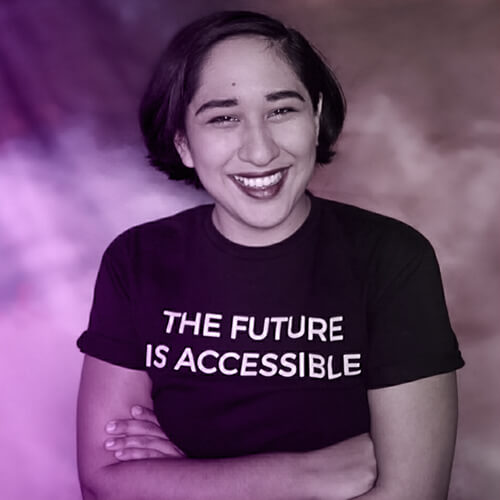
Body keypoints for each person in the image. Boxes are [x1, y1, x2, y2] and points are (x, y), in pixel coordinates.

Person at [76, 10, 465, 500]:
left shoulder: (391, 258)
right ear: (183, 143)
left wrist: (185, 483)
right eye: (223, 118)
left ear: (317, 117)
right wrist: (307, 476)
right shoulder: (136, 259)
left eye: (281, 110)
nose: (259, 151)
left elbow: (413, 494)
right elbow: (104, 484)